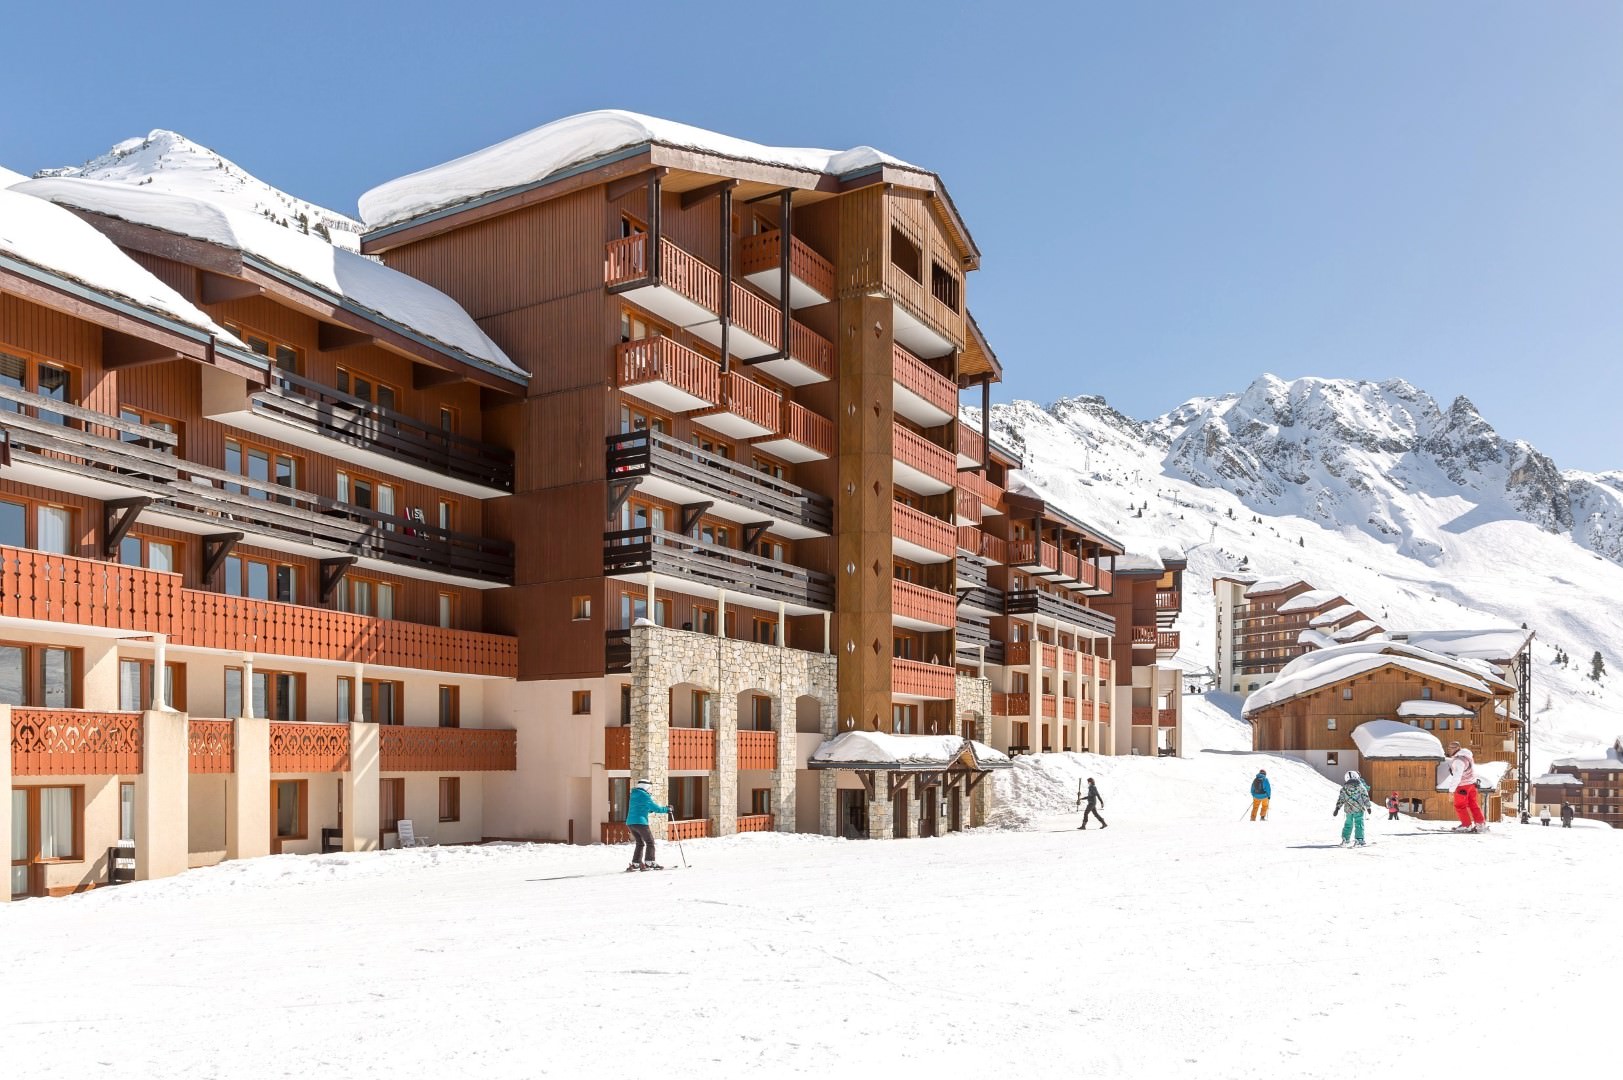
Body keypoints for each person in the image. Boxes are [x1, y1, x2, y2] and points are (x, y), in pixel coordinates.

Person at [625, 778, 671, 871]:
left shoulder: (634, 795)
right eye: (650, 788)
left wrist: (649, 810)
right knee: (650, 842)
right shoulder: (645, 796)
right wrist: (667, 809)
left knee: (640, 843)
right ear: (646, 787)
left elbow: (640, 807)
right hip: (641, 823)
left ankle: (636, 863)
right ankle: (650, 862)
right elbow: (656, 808)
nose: (651, 790)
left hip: (631, 823)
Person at [1444, 741, 1487, 833]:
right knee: (1473, 804)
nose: (1449, 749)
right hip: (1472, 784)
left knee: (1460, 806)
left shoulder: (1458, 761)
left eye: (1452, 747)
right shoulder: (1467, 757)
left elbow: (1457, 777)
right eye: (1449, 747)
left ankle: (1466, 825)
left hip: (1462, 786)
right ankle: (1480, 824)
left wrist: (1451, 790)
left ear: (1457, 748)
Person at [1333, 770, 1372, 847]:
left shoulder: (1344, 788)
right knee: (1359, 824)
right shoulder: (1361, 787)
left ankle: (1345, 839)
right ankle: (1359, 839)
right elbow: (1365, 797)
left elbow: (1341, 799)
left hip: (1348, 810)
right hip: (1359, 809)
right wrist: (1368, 807)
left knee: (1348, 824)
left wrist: (1337, 808)